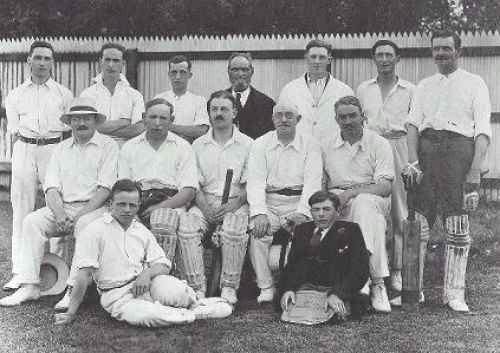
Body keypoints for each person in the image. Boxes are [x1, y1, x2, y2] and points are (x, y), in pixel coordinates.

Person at [52, 179, 232, 327]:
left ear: (138, 206)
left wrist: (146, 274)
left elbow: (162, 263)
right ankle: (196, 313)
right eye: (121, 204)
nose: (127, 210)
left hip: (148, 283)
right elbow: (84, 274)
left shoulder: (141, 230)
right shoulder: (93, 231)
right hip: (116, 294)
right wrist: (70, 313)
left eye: (132, 205)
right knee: (149, 316)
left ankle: (193, 303)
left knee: (179, 292)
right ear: (110, 204)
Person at [402, 30, 491, 312]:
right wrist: (412, 161)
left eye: (446, 49)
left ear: (459, 51)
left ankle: (454, 293)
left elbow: (482, 130)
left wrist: (475, 168)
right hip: (427, 152)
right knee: (420, 224)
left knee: (457, 224)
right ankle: (412, 291)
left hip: (459, 153)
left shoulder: (475, 83)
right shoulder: (424, 85)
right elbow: (413, 125)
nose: (441, 53)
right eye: (436, 49)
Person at [0, 97, 118, 306]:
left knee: (83, 225)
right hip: (64, 209)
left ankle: (73, 289)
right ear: (69, 123)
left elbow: (105, 189)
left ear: (95, 121)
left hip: (96, 209)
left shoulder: (108, 146)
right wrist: (60, 214)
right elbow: (51, 187)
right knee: (32, 222)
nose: (81, 123)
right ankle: (30, 286)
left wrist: (79, 216)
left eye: (86, 118)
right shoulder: (61, 149)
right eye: (76, 119)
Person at [4, 40, 73, 291]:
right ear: (29, 61)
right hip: (24, 149)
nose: (42, 63)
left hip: (54, 149)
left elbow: (71, 130)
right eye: (38, 58)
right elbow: (13, 130)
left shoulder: (64, 94)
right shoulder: (15, 94)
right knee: (21, 210)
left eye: (47, 58)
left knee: (59, 207)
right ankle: (21, 272)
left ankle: (60, 271)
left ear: (53, 62)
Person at [322, 96, 395, 313]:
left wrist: (352, 192)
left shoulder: (379, 143)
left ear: (363, 116)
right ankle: (371, 280)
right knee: (362, 213)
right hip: (338, 200)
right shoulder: (326, 145)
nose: (348, 121)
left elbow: (384, 187)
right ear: (336, 120)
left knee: (364, 204)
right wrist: (332, 202)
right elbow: (321, 185)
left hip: (373, 197)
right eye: (342, 117)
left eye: (353, 115)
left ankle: (373, 282)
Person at [247, 102, 323, 303]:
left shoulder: (311, 144)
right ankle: (266, 285)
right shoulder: (260, 144)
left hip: (298, 201)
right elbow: (255, 181)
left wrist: (303, 212)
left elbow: (313, 181)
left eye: (289, 115)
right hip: (269, 201)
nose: (283, 119)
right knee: (257, 231)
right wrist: (259, 213)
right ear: (272, 119)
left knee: (305, 234)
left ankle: (297, 284)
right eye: (278, 115)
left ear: (298, 120)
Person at [357, 39, 415, 294]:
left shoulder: (410, 89)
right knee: (373, 206)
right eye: (379, 55)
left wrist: (412, 160)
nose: (384, 59)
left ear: (397, 58)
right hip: (372, 149)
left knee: (400, 210)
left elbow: (414, 126)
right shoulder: (363, 88)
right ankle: (369, 270)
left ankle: (399, 271)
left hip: (400, 147)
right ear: (373, 58)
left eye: (388, 55)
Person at [188, 91, 254, 304]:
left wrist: (233, 206)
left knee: (235, 228)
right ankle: (196, 287)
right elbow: (193, 184)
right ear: (208, 113)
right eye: (214, 109)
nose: (219, 113)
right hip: (204, 202)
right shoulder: (197, 145)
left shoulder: (249, 144)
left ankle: (229, 287)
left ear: (234, 112)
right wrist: (206, 210)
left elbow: (252, 184)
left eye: (224, 109)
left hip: (236, 203)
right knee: (187, 227)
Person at [279, 190, 369, 322]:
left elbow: (360, 269)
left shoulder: (351, 230)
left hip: (336, 288)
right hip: (306, 289)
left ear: (337, 211)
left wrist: (338, 294)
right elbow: (292, 266)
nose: (321, 214)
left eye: (326, 209)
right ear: (311, 212)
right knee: (287, 308)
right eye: (316, 210)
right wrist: (288, 289)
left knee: (341, 312)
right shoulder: (301, 230)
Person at [278, 39, 353, 141]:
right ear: (306, 58)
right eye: (313, 57)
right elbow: (282, 123)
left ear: (329, 60)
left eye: (322, 57)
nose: (317, 61)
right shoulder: (289, 90)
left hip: (332, 150)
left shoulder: (344, 90)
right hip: (300, 149)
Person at [80, 42, 145, 147]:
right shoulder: (87, 94)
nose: (111, 65)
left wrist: (100, 127)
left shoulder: (135, 95)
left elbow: (138, 129)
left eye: (116, 61)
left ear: (123, 64)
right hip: (95, 149)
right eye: (107, 60)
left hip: (124, 151)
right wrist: (124, 122)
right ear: (101, 62)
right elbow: (86, 127)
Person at [154, 55, 210, 142]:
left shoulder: (199, 101)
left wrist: (170, 127)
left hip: (188, 150)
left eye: (182, 72)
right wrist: (187, 131)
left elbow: (201, 131)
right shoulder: (159, 99)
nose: (177, 77)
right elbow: (153, 127)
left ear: (189, 75)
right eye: (174, 72)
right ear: (169, 75)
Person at [225, 52, 275, 139]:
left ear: (252, 71)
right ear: (228, 71)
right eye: (235, 70)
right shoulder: (218, 101)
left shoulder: (267, 104)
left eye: (245, 70)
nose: (240, 74)